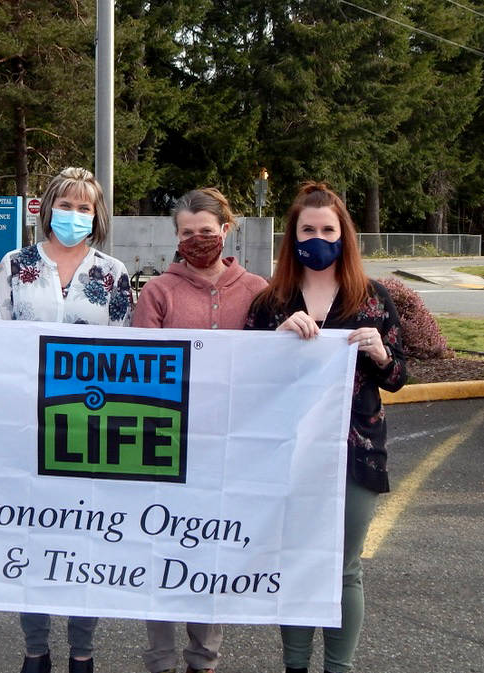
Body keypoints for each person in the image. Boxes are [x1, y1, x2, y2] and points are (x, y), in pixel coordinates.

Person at [245, 182, 406, 673]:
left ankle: (339, 667)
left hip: (354, 452)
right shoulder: (271, 301)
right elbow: (247, 377)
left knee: (343, 568)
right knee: (295, 562)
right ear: (292, 237)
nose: (318, 237)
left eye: (328, 229)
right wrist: (277, 340)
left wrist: (378, 352)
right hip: (288, 454)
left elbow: (398, 376)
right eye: (307, 229)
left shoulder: (372, 298)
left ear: (345, 235)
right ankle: (295, 665)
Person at [0, 166, 132, 673]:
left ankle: (82, 651)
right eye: (65, 205)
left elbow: (125, 356)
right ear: (47, 208)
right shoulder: (15, 263)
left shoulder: (112, 275)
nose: (73, 215)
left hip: (87, 431)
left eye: (84, 207)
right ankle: (35, 648)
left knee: (84, 538)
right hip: (28, 428)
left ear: (97, 216)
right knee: (33, 535)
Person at [132, 187, 267, 673]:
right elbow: (141, 371)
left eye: (207, 232)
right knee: (160, 550)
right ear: (176, 237)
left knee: (211, 551)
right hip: (166, 445)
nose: (197, 241)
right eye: (187, 234)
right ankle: (160, 660)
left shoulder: (257, 290)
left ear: (226, 230)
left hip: (229, 447)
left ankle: (203, 659)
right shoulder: (157, 292)